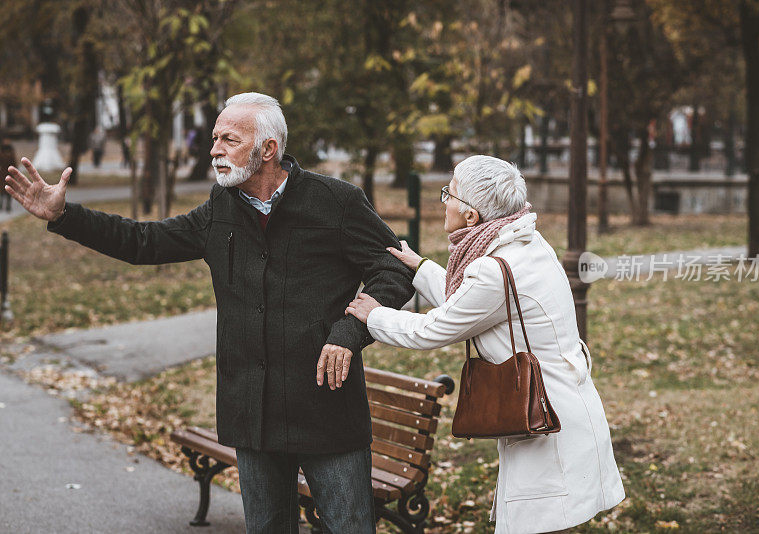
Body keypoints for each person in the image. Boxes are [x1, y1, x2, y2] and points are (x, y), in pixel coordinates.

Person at [4, 92, 415, 534]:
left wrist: (350, 330)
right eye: (215, 138)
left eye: (228, 139)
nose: (214, 149)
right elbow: (144, 242)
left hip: (325, 407)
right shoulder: (220, 210)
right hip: (252, 415)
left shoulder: (336, 202)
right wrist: (64, 215)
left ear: (268, 150)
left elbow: (394, 267)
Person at [345, 155, 625, 533]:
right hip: (557, 409)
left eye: (450, 194)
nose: (443, 201)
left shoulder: (493, 269)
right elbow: (469, 303)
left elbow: (433, 329)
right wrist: (419, 266)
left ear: (472, 216)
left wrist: (374, 315)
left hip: (546, 425)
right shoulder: (524, 243)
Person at [0, 136, 17, 211]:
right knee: (2, 191)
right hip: (3, 174)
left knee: (7, 191)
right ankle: (3, 204)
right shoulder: (5, 153)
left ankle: (7, 205)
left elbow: (14, 164)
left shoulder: (10, 153)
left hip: (7, 174)